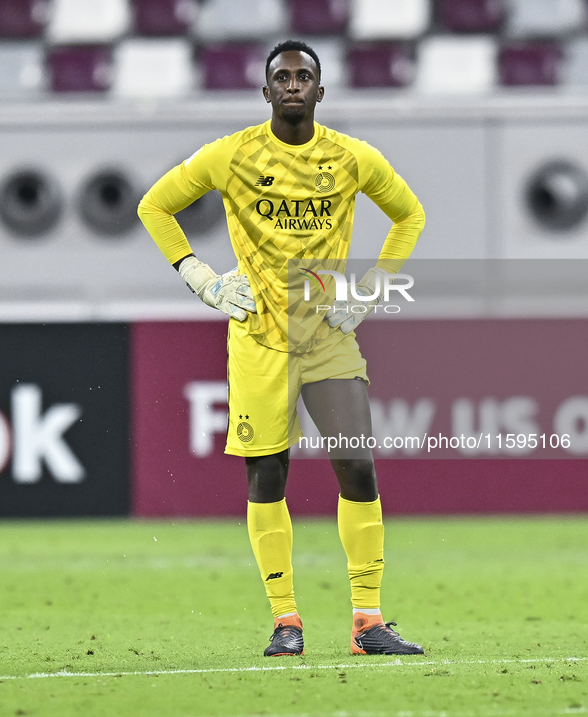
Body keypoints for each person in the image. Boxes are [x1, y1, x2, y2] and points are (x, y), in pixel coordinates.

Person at [138, 39, 426, 657]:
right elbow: (155, 205)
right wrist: (201, 277)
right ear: (266, 91)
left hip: (328, 337)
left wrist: (371, 290)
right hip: (259, 341)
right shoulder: (231, 155)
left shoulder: (351, 158)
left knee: (357, 466)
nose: (293, 84)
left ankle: (367, 622)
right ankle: (286, 619)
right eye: (282, 76)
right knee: (268, 474)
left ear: (320, 92)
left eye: (304, 77)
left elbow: (410, 215)